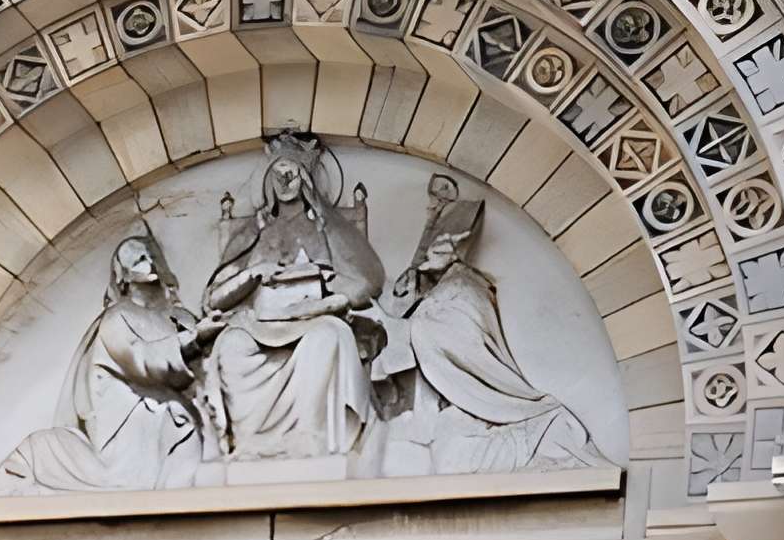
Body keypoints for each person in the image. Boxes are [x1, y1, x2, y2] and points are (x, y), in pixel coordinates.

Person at [383, 174, 603, 474]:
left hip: (478, 406)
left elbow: (461, 341)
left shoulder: (462, 290)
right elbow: (399, 311)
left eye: (442, 246)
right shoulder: (427, 295)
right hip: (444, 417)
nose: (433, 251)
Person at [197, 133, 386, 460]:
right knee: (230, 346)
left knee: (329, 337)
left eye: (293, 172)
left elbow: (366, 282)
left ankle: (308, 435)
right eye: (278, 172)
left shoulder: (326, 227)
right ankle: (249, 443)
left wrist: (325, 288)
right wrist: (254, 274)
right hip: (258, 324)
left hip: (313, 318)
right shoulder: (252, 232)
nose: (285, 180)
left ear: (307, 178)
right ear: (268, 180)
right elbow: (215, 298)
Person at [0, 230, 207, 493]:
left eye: (150, 257)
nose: (149, 263)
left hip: (178, 410)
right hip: (133, 427)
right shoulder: (117, 317)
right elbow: (142, 361)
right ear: (122, 275)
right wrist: (194, 342)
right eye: (138, 260)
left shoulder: (180, 317)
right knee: (170, 427)